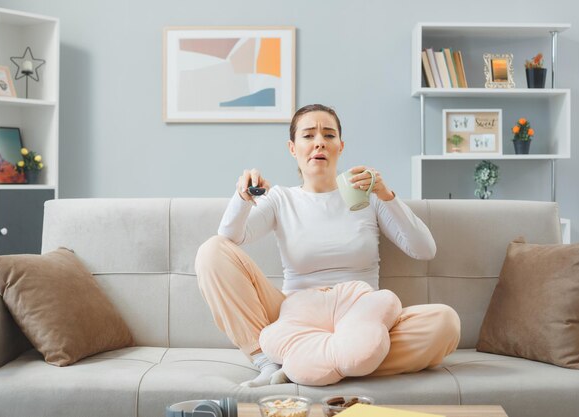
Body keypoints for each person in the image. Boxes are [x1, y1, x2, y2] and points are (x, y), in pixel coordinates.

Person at [195, 104, 460, 388]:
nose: (319, 141)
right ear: (292, 148)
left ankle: (304, 365)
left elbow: (424, 249)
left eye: (329, 135)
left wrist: (385, 194)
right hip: (292, 315)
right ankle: (268, 361)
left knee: (445, 323)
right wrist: (242, 197)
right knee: (211, 251)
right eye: (308, 135)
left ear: (340, 146)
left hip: (361, 316)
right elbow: (229, 238)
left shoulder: (367, 197)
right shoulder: (280, 199)